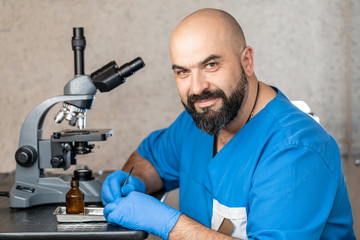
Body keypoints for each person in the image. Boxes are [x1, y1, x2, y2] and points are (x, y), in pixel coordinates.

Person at [101, 8, 355, 240]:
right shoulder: (198, 121)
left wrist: (168, 223)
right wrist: (131, 182)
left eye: (211, 65)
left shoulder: (296, 149)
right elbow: (151, 159)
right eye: (183, 72)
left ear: (247, 61)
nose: (197, 88)